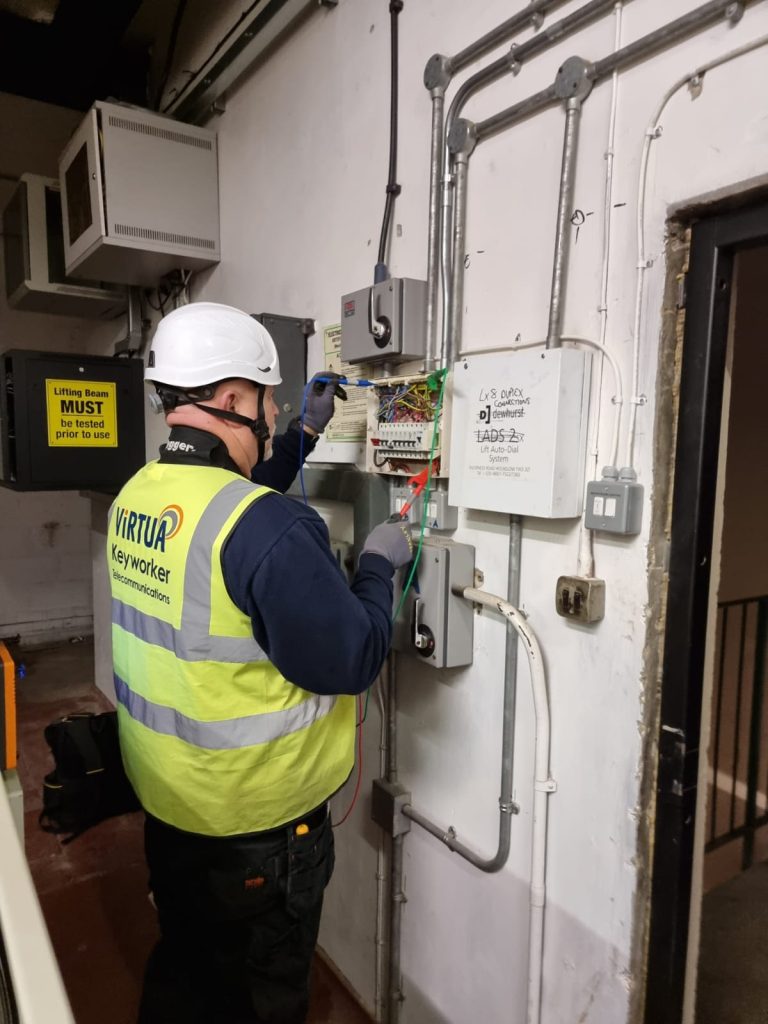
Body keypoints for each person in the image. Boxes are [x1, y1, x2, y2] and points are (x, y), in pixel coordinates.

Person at [107, 301, 412, 1024]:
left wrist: (304, 437)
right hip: (258, 832)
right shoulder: (266, 528)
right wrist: (377, 567)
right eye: (271, 399)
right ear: (233, 398)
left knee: (186, 970)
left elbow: (233, 514)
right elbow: (353, 655)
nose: (275, 412)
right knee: (259, 998)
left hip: (169, 806)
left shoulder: (140, 496)